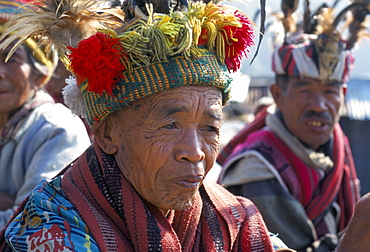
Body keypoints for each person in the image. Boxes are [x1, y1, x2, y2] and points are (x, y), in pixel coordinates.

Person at [0, 0, 295, 251]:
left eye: (209, 128)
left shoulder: (231, 219)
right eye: (170, 125)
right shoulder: (51, 232)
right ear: (106, 133)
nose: (195, 153)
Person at [217, 1, 367, 251]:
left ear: (343, 95)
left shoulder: (335, 148)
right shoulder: (257, 168)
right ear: (277, 95)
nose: (319, 105)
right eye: (305, 89)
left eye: (330, 91)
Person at [0, 0, 91, 229]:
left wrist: (14, 210)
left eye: (11, 59)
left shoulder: (57, 128)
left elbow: (30, 224)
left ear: (39, 77)